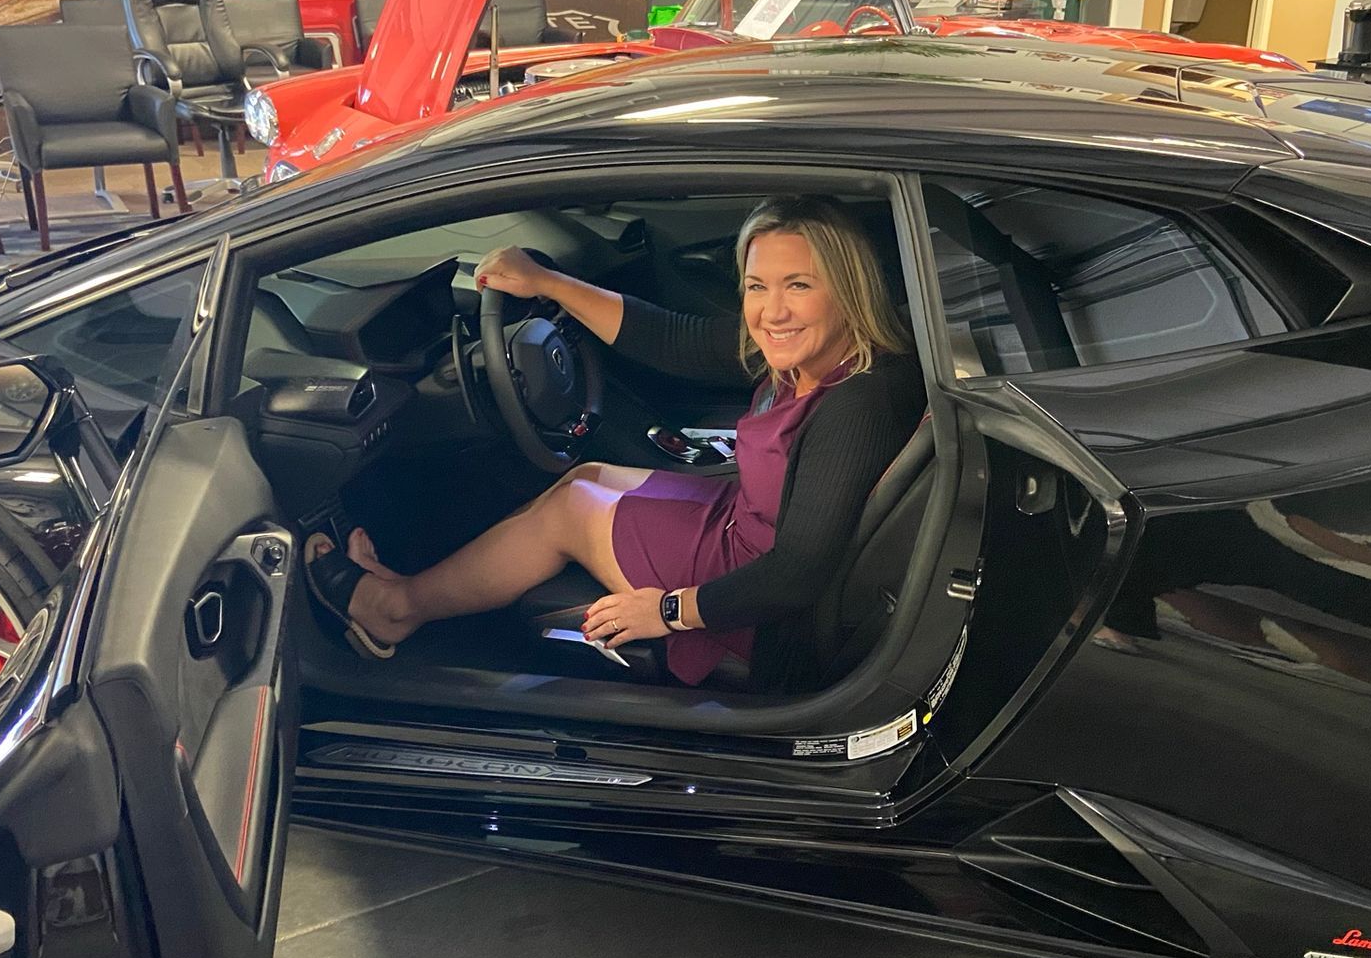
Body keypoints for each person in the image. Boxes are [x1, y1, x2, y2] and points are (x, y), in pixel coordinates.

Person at [303, 195, 926, 689]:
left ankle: (394, 608)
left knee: (573, 511)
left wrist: (670, 611)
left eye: (799, 285)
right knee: (586, 477)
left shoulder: (857, 403)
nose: (772, 311)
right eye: (758, 286)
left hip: (763, 606)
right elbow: (673, 339)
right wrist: (547, 283)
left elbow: (796, 575)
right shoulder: (804, 354)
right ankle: (414, 587)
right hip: (745, 530)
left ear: (847, 288)